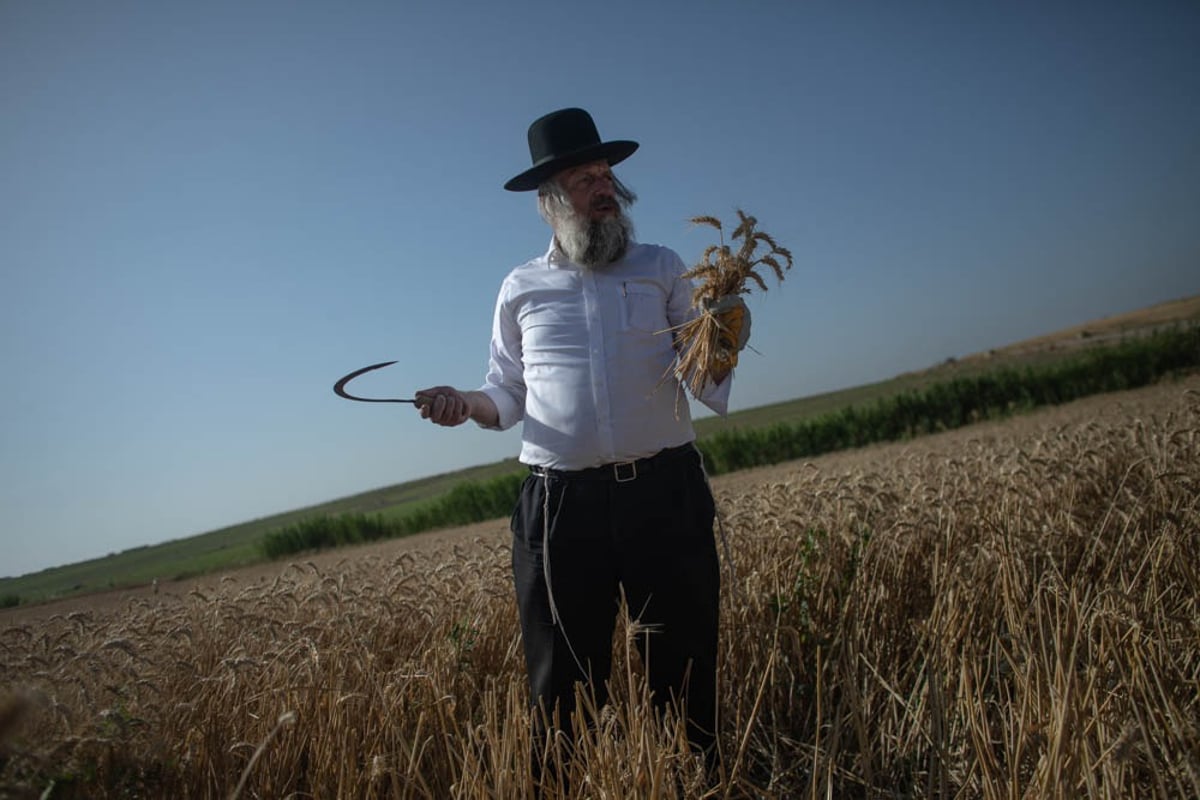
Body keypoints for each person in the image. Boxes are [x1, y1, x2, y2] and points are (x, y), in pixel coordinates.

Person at [414, 107, 749, 778]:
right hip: (563, 512)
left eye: (605, 174)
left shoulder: (662, 267)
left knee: (683, 676)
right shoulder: (521, 289)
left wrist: (725, 326)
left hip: (665, 495)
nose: (601, 187)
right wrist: (465, 406)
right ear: (548, 204)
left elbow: (703, 369)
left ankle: (694, 786)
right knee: (562, 691)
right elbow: (507, 393)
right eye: (581, 178)